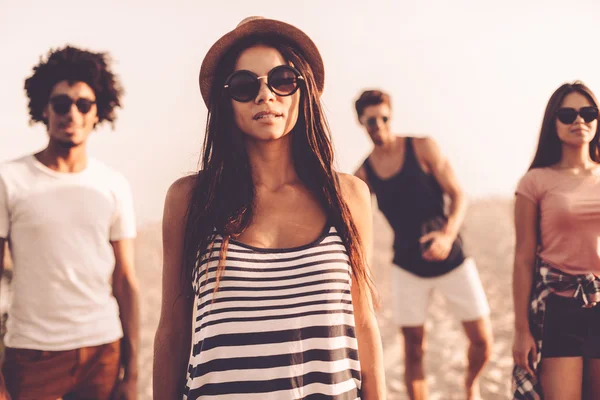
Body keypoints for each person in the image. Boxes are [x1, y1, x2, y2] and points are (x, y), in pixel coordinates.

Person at [153, 16, 386, 400]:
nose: (266, 96)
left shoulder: (348, 196)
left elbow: (364, 324)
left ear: (302, 89)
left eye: (282, 79)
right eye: (245, 85)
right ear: (225, 102)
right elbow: (173, 332)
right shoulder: (190, 199)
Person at [0, 46, 139, 400]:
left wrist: (132, 373)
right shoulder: (9, 180)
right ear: (44, 110)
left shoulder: (113, 184)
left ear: (98, 112)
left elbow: (125, 279)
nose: (71, 113)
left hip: (103, 351)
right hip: (32, 354)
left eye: (83, 104)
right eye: (61, 104)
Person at [353, 90, 492, 400]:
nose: (379, 125)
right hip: (406, 265)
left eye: (384, 118)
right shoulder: (364, 174)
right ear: (361, 123)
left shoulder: (422, 147)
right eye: (371, 120)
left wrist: (446, 236)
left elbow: (458, 195)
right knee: (414, 348)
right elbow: (354, 223)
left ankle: (471, 385)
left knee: (483, 340)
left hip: (451, 257)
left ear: (391, 115)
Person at [512, 81, 600, 400]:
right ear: (554, 122)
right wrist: (521, 330)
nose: (579, 121)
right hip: (559, 307)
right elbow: (523, 258)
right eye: (568, 114)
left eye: (588, 113)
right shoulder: (535, 181)